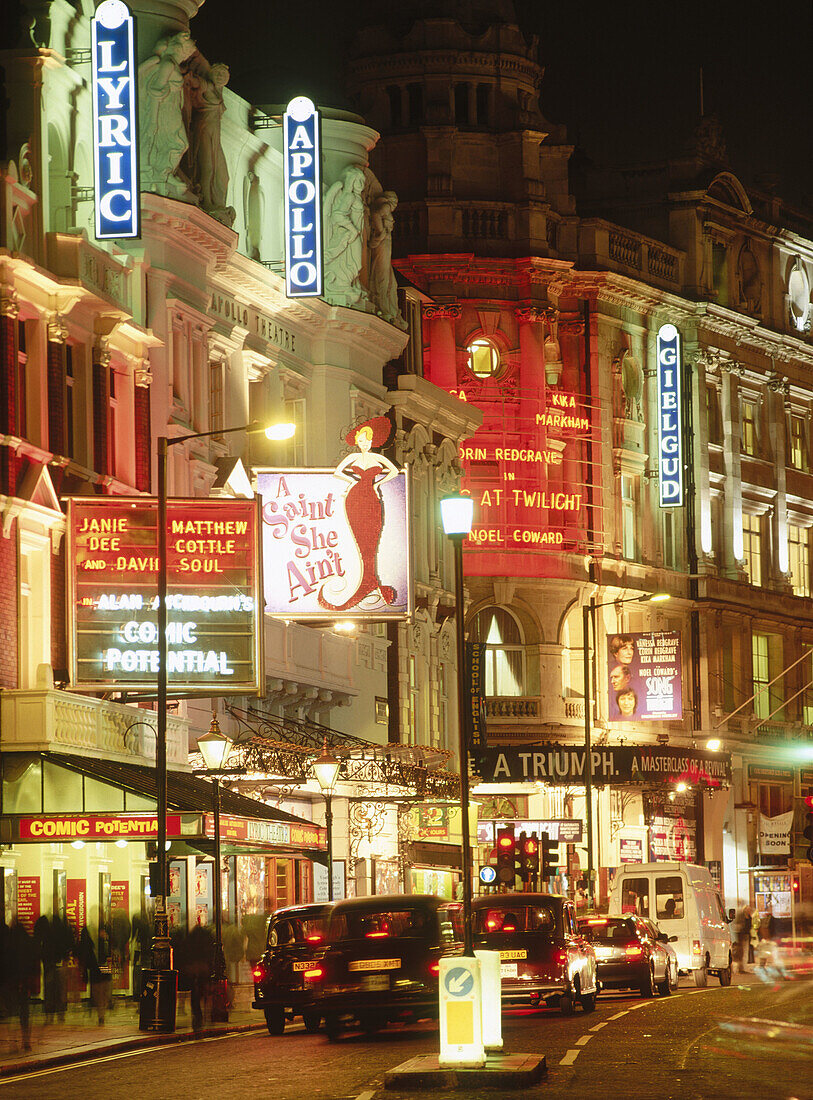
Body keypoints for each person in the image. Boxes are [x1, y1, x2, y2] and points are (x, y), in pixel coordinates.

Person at [317, 416, 401, 613]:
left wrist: (378, 483)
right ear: (357, 442)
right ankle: (366, 580)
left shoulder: (377, 458)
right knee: (358, 538)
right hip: (354, 498)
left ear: (372, 441)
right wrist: (354, 481)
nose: (364, 443)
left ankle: (370, 579)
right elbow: (338, 471)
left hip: (371, 498)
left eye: (367, 440)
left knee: (372, 537)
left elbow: (394, 472)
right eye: (361, 440)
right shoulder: (352, 459)